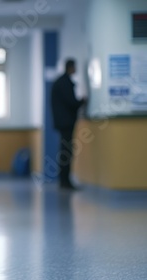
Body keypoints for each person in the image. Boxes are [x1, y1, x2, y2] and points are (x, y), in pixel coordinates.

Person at [51, 59, 86, 190]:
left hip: (62, 122)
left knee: (65, 151)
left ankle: (64, 180)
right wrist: (82, 102)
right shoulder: (65, 83)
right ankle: (65, 181)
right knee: (66, 151)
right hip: (66, 122)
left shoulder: (60, 82)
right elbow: (71, 103)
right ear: (70, 67)